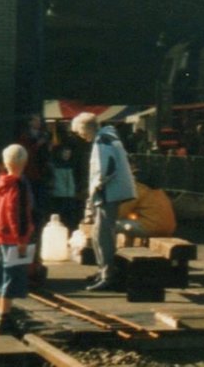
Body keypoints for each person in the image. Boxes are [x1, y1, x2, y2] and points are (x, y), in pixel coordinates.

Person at [71, 113, 136, 291]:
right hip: (112, 192)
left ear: (86, 129)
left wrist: (97, 185)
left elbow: (107, 167)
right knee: (100, 232)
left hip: (108, 193)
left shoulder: (102, 142)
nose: (81, 137)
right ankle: (103, 271)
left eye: (80, 133)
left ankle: (108, 275)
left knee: (103, 235)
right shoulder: (109, 137)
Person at [0, 144, 34, 336]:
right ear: (24, 162)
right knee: (11, 278)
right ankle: (4, 320)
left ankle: (2, 315)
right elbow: (17, 214)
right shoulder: (19, 184)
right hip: (12, 238)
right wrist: (22, 239)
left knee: (0, 277)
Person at [49, 145, 78, 230]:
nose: (67, 155)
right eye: (65, 153)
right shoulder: (54, 165)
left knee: (70, 218)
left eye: (69, 153)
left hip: (70, 195)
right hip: (58, 195)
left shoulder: (72, 165)